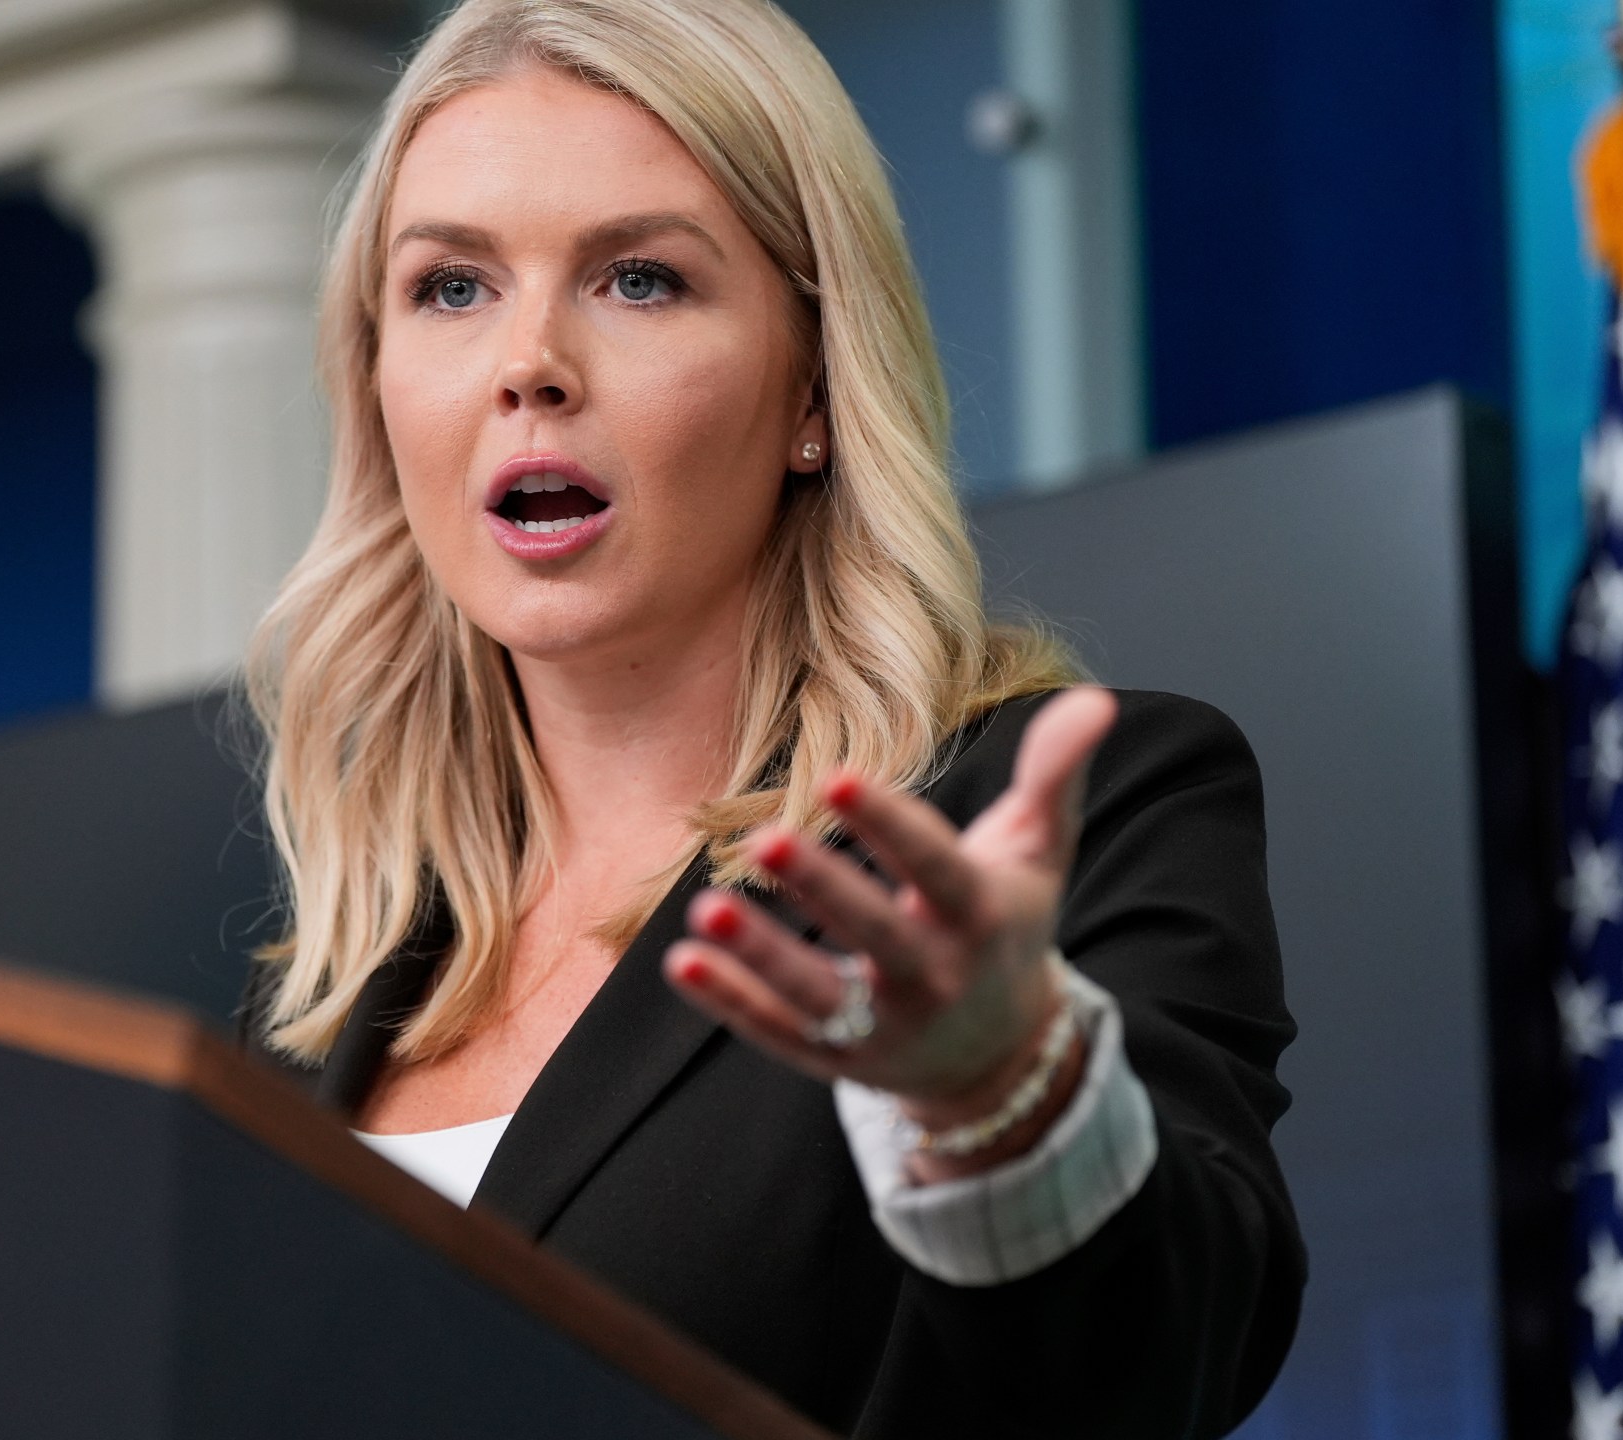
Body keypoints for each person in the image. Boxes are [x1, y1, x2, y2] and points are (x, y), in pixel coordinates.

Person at [237, 0, 1304, 1433]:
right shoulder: (326, 1003)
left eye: (637, 280)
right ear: (376, 389)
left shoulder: (1048, 827)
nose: (529, 360)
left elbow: (1170, 1352)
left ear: (812, 385)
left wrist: (1007, 1108)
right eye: (450, 288)